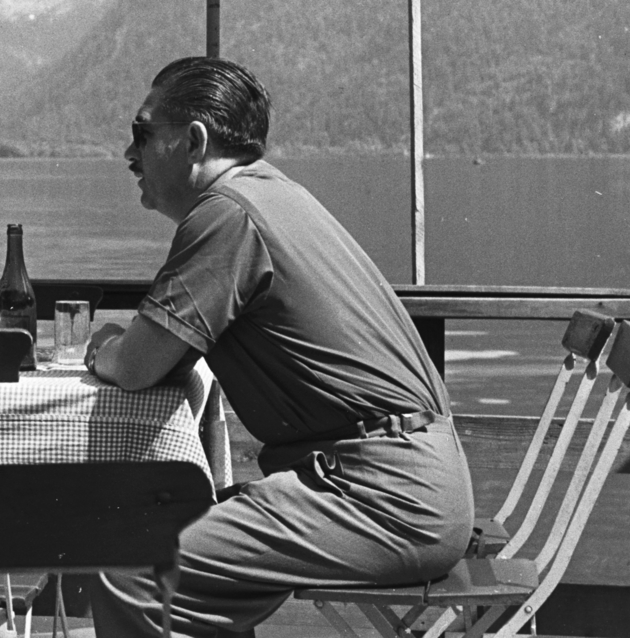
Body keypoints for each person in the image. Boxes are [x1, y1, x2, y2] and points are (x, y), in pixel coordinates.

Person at [85, 57, 473, 638]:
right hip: (400, 482)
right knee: (167, 556)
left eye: (142, 132)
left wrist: (101, 348)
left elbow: (139, 365)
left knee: (133, 567)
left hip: (380, 497)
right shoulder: (271, 195)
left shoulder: (226, 216)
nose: (129, 153)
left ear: (193, 141)